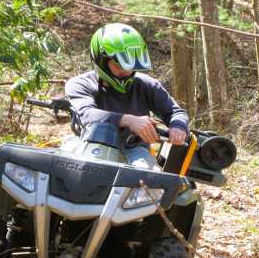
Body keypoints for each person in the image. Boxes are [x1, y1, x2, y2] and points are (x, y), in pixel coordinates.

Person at [65, 23, 189, 169]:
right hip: (88, 143)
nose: (126, 72)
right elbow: (87, 114)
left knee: (149, 178)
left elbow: (175, 112)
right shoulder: (79, 84)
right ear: (101, 61)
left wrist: (178, 127)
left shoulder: (145, 84)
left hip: (134, 150)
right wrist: (129, 120)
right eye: (118, 66)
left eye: (129, 66)